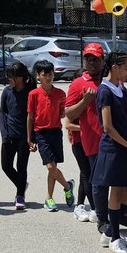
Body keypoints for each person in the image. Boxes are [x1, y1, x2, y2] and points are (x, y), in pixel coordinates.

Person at [91, 50, 127, 253]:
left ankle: (110, 232)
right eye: (126, 68)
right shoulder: (104, 91)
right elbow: (107, 127)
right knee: (116, 191)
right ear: (114, 66)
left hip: (124, 147)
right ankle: (114, 237)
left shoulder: (122, 89)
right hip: (113, 148)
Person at [65, 43, 107, 229]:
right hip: (82, 141)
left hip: (105, 140)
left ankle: (95, 209)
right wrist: (85, 100)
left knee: (97, 177)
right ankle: (98, 212)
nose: (91, 62)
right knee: (90, 176)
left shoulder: (108, 81)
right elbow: (69, 115)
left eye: (95, 59)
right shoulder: (77, 84)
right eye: (88, 59)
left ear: (102, 60)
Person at [28, 59, 73, 213]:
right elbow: (30, 117)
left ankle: (49, 197)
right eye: (44, 74)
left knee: (52, 169)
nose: (48, 77)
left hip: (56, 132)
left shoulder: (60, 93)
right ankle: (67, 186)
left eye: (50, 74)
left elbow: (62, 113)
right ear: (38, 76)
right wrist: (29, 138)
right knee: (50, 166)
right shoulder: (33, 94)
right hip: (41, 133)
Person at [0, 61, 32, 210]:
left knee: (21, 166)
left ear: (19, 78)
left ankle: (20, 195)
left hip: (24, 137)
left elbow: (33, 116)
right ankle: (21, 184)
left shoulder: (30, 93)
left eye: (10, 77)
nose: (8, 79)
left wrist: (33, 138)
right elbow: (2, 112)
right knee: (6, 165)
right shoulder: (6, 91)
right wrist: (4, 133)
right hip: (9, 136)